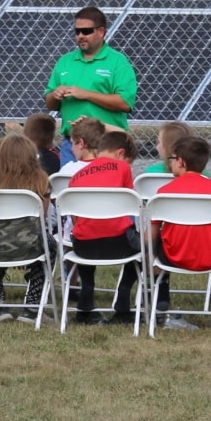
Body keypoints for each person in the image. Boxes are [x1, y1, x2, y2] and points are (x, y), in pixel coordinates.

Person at [149, 135, 211, 331]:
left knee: (153, 241)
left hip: (172, 258)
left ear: (180, 161)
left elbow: (150, 238)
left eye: (172, 159)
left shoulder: (164, 192)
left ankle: (161, 302)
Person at [0, 134, 52, 323]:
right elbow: (42, 217)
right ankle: (32, 307)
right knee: (49, 246)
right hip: (28, 245)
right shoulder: (42, 181)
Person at [65, 129, 141, 325]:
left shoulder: (76, 176)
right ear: (120, 153)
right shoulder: (122, 168)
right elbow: (129, 205)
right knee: (145, 245)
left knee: (84, 234)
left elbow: (76, 219)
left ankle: (85, 304)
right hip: (120, 243)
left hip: (84, 247)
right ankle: (123, 301)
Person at [45, 6, 137, 135]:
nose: (80, 36)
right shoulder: (65, 61)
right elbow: (50, 104)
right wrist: (55, 94)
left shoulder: (118, 61)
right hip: (72, 142)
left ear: (101, 32)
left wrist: (87, 94)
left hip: (106, 140)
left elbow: (125, 103)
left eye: (86, 31)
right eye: (77, 32)